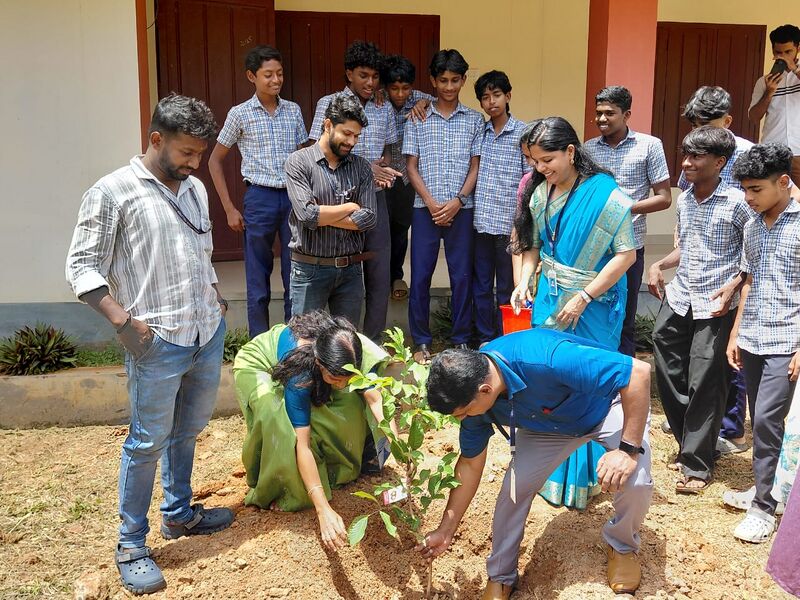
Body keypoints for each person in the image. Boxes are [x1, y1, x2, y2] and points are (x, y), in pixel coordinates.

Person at [65, 94, 233, 595]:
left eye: (200, 153)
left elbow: (201, 249)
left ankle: (178, 514)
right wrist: (124, 324)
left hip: (204, 332)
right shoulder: (112, 192)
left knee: (189, 430)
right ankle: (131, 545)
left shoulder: (195, 188)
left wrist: (215, 298)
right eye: (186, 152)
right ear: (156, 139)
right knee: (145, 443)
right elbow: (81, 266)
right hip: (156, 341)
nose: (195, 163)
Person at [416, 330, 653, 598]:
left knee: (636, 480)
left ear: (485, 390)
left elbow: (638, 373)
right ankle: (501, 576)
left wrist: (627, 451)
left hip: (605, 408)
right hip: (548, 427)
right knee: (514, 490)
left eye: (463, 412)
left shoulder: (547, 358)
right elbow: (470, 465)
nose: (462, 419)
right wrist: (446, 531)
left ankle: (622, 546)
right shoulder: (473, 400)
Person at [509, 117, 636, 509]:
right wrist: (524, 281)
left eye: (547, 160)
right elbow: (533, 245)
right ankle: (551, 470)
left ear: (570, 151)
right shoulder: (539, 191)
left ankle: (587, 474)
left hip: (594, 303)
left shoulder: (606, 194)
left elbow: (626, 256)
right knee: (550, 377)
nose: (540, 168)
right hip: (550, 299)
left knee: (589, 380)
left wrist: (584, 296)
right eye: (534, 161)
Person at [234, 310, 397, 550]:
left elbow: (376, 402)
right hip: (262, 363)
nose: (342, 384)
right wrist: (323, 510)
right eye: (335, 378)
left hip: (324, 366)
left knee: (349, 404)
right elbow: (303, 445)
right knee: (277, 418)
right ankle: (281, 487)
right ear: (320, 364)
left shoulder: (349, 352)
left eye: (347, 378)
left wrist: (401, 452)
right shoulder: (299, 377)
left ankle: (343, 465)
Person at [648, 126, 752, 494]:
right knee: (667, 362)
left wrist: (734, 285)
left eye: (697, 157)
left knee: (706, 381)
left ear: (720, 162)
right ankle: (693, 441)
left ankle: (696, 464)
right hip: (681, 296)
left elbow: (752, 257)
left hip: (716, 305)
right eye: (686, 155)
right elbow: (688, 247)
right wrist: (660, 264)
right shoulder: (687, 200)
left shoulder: (738, 203)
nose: (686, 163)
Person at [725, 143, 800, 542]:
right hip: (754, 336)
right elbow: (749, 282)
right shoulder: (753, 226)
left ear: (783, 182)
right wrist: (736, 333)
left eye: (756, 189)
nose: (748, 198)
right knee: (760, 420)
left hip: (788, 339)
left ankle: (764, 508)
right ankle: (766, 488)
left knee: (769, 421)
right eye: (744, 190)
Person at [208, 45, 308, 337]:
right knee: (257, 276)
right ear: (251, 76)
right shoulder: (240, 114)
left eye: (280, 73)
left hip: (293, 197)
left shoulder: (293, 111)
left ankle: (293, 340)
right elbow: (214, 161)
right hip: (259, 198)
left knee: (295, 272)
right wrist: (229, 208)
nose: (276, 80)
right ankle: (259, 342)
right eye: (268, 75)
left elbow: (304, 156)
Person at [677, 85, 754, 455]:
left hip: (739, 269)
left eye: (709, 122)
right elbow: (687, 204)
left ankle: (732, 427)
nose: (701, 129)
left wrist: (741, 276)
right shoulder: (694, 156)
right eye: (696, 123)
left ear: (729, 120)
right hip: (700, 270)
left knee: (730, 351)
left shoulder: (748, 153)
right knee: (698, 353)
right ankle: (698, 417)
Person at [309, 41, 402, 341]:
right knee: (335, 270)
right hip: (336, 198)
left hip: (374, 198)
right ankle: (332, 343)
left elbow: (389, 151)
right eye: (363, 75)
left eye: (375, 77)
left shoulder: (383, 107)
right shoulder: (329, 104)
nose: (370, 83)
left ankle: (373, 341)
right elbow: (316, 150)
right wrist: (366, 168)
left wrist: (384, 169)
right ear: (349, 73)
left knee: (379, 271)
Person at [403, 49, 483, 363]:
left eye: (455, 80)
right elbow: (411, 166)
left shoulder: (474, 120)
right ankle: (421, 340)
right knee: (420, 276)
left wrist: (457, 201)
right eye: (443, 80)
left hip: (461, 209)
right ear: (433, 81)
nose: (449, 86)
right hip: (425, 209)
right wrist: (432, 203)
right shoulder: (418, 117)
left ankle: (460, 339)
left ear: (463, 80)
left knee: (461, 276)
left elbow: (475, 166)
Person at [584, 86, 671, 357]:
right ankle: (596, 369)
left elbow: (664, 198)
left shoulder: (649, 146)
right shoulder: (588, 148)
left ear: (627, 115)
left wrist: (623, 209)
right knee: (592, 311)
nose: (602, 119)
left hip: (629, 247)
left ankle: (625, 373)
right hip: (594, 246)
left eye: (610, 113)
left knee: (624, 316)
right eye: (598, 113)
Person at [284, 92, 377, 326]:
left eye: (356, 136)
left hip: (351, 272)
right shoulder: (298, 162)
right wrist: (349, 207)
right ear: (328, 125)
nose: (352, 142)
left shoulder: (361, 167)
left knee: (346, 342)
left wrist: (322, 216)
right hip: (309, 270)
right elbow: (307, 215)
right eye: (347, 133)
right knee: (304, 340)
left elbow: (369, 218)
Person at [472, 70, 530, 345]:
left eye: (496, 95)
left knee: (507, 287)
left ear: (508, 96)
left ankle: (506, 340)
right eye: (485, 97)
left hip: (510, 226)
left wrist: (522, 223)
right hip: (481, 223)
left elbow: (529, 180)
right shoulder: (479, 132)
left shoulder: (523, 133)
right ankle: (485, 337)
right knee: (482, 285)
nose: (491, 102)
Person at [380, 54, 434, 301]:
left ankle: (395, 276)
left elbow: (440, 100)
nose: (400, 94)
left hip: (407, 177)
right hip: (381, 174)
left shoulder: (421, 99)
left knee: (401, 229)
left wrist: (424, 101)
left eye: (405, 88)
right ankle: (379, 279)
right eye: (394, 88)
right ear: (386, 87)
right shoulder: (378, 99)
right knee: (380, 230)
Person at [749, 24, 800, 186]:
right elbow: (753, 117)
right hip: (772, 153)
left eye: (788, 52)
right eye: (778, 52)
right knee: (771, 197)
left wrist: (795, 70)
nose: (783, 57)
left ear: (798, 49)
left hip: (799, 153)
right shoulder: (764, 82)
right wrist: (769, 92)